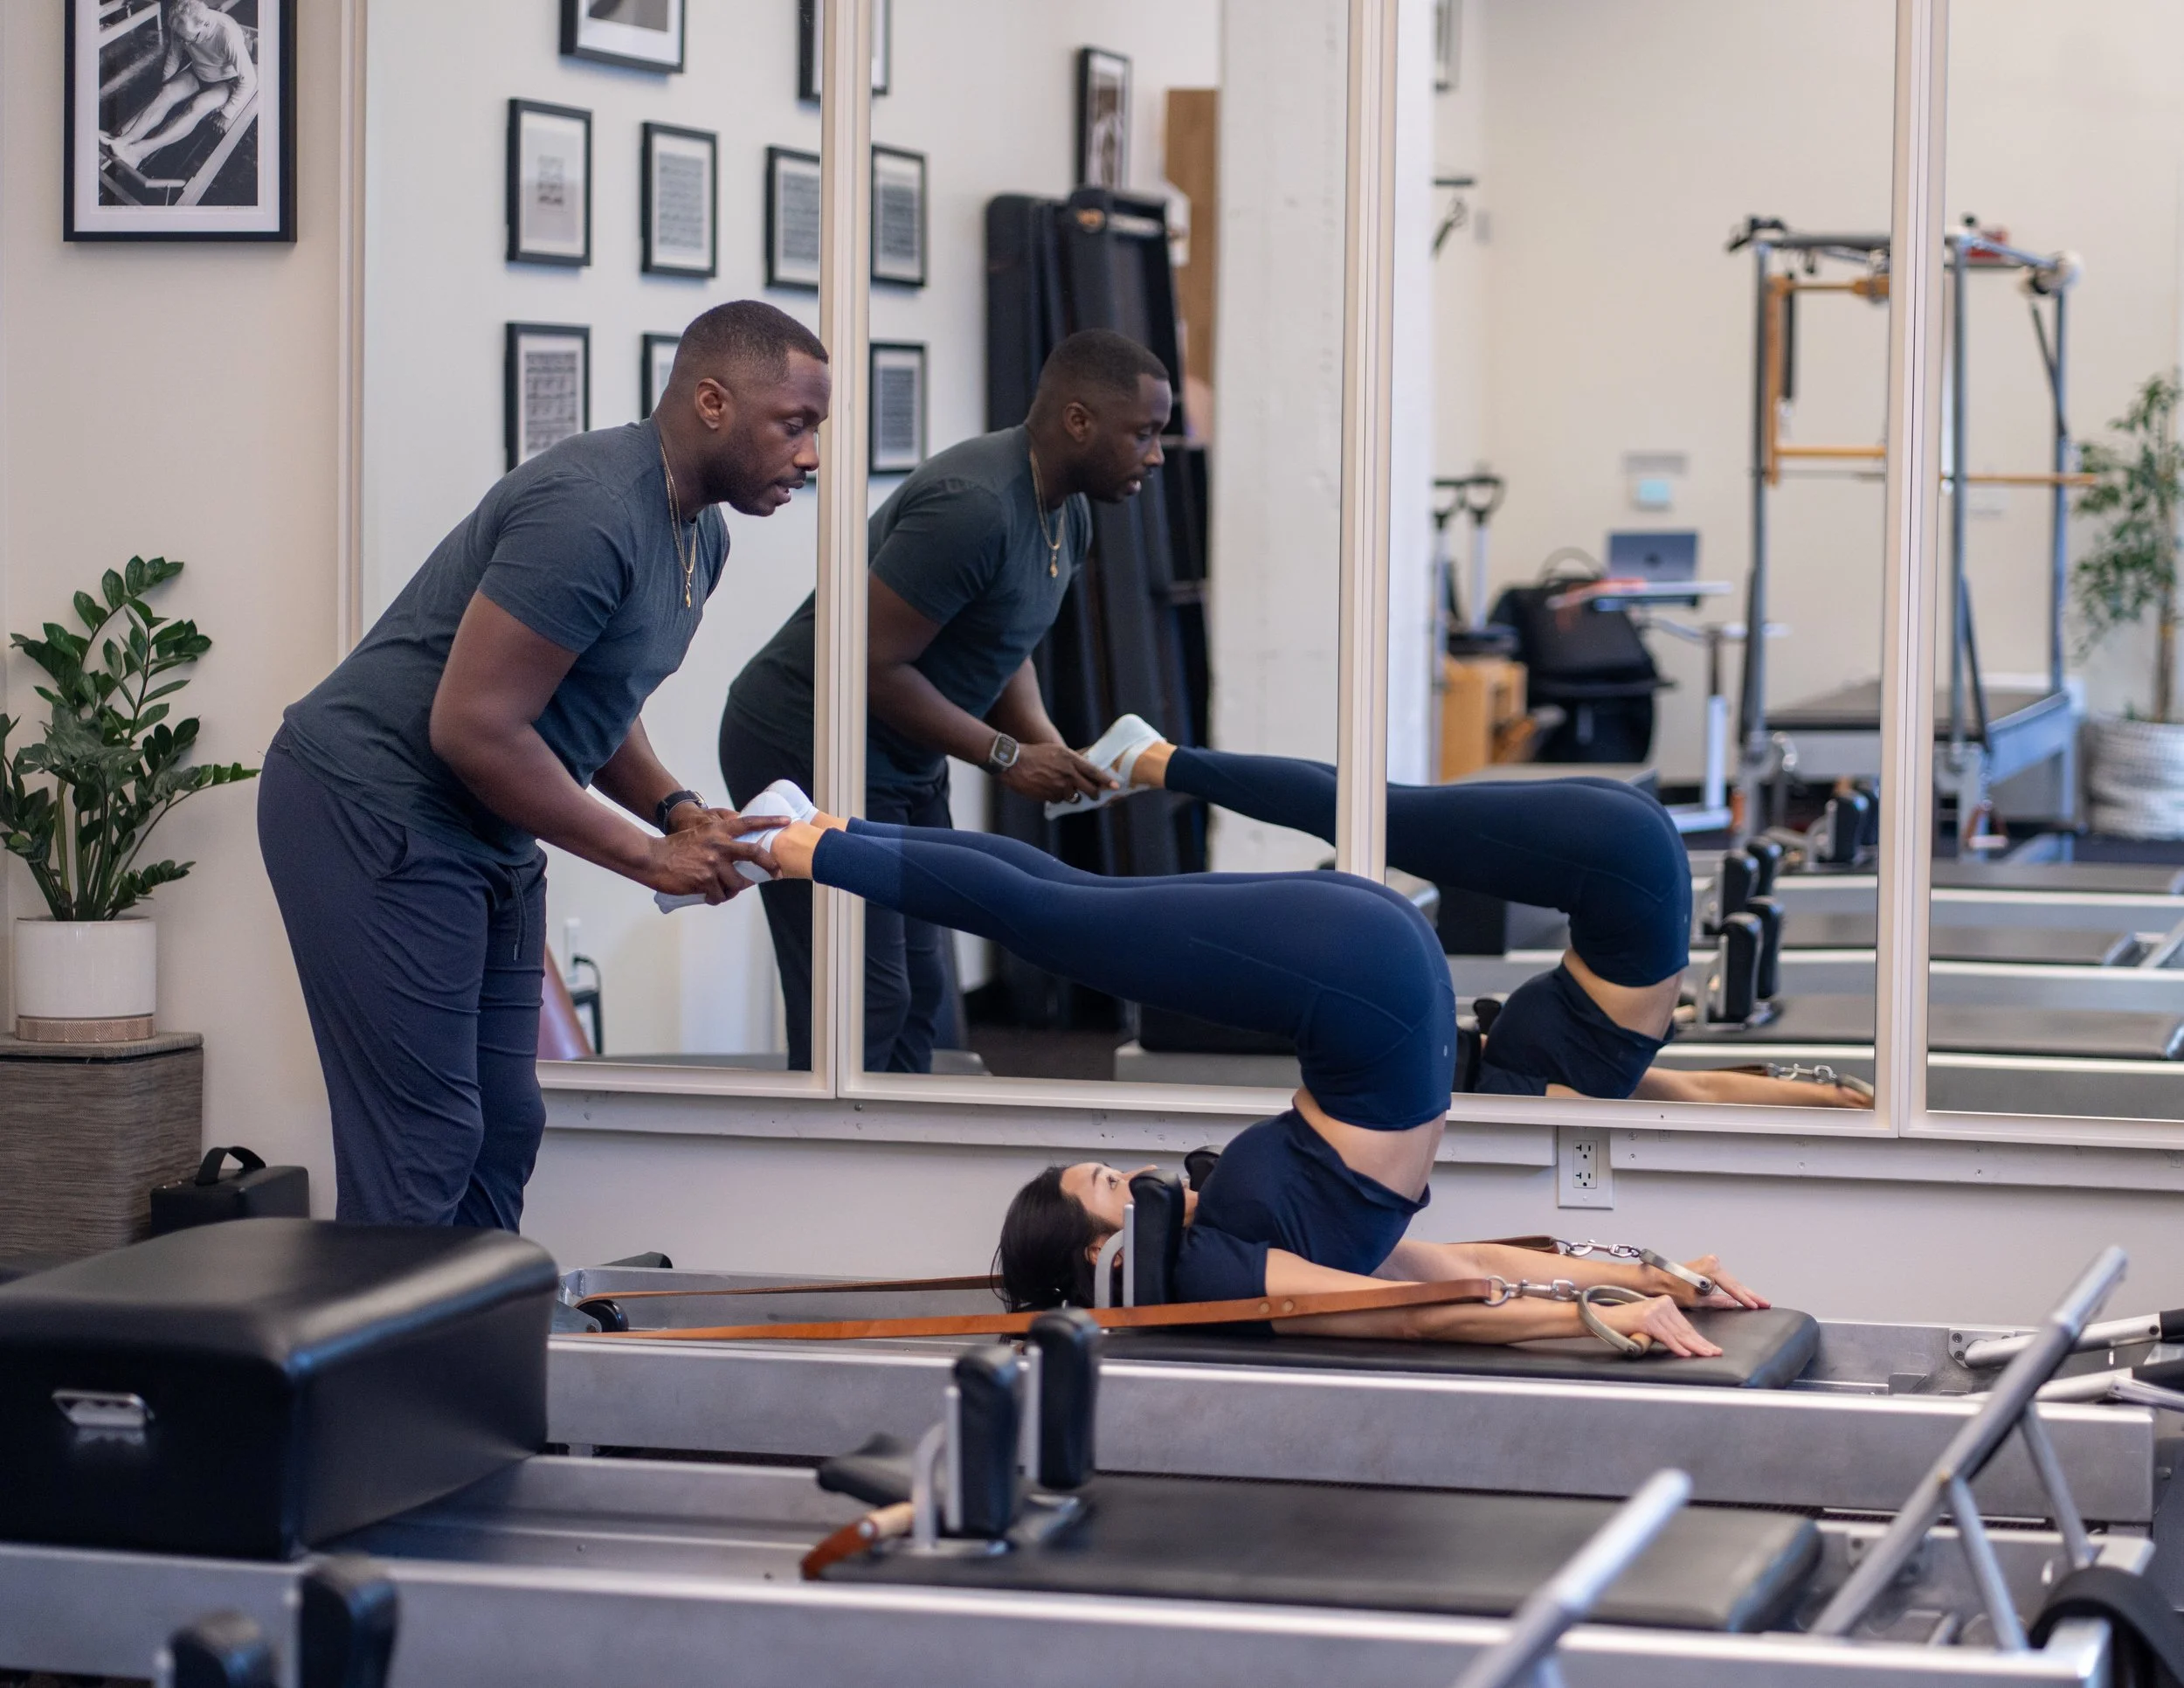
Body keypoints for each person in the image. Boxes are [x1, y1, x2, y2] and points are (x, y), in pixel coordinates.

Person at [726, 782, 1760, 1354]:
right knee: (1059, 916)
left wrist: (1641, 1283)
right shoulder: (1216, 1275)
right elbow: (1438, 1293)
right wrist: (1624, 1295)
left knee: (1067, 903)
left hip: (1366, 981)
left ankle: (826, 830)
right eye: (1109, 1189)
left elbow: (1451, 1279)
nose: (1140, 1180)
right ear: (1100, 1257)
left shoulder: (1219, 1246)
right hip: (1361, 978)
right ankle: (800, 844)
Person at [261, 301, 828, 1228]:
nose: (810, 456)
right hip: (369, 805)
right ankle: (394, 1373)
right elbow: (475, 729)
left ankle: (477, 1360)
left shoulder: (701, 534)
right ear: (714, 402)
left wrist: (677, 809)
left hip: (483, 821)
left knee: (507, 1123)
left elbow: (591, 699)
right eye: (795, 425)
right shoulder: (593, 511)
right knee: (425, 1140)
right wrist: (648, 858)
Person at [719, 329, 1172, 1074]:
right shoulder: (976, 505)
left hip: (902, 754)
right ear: (1080, 421)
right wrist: (1005, 757)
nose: (1155, 456)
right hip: (804, 738)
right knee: (860, 998)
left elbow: (1005, 633)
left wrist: (1041, 739)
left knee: (928, 990)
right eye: (1144, 435)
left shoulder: (1069, 511)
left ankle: (899, 1170)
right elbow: (869, 662)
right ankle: (826, 1172)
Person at [1051, 720, 1875, 1106]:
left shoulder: (1570, 1085)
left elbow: (1697, 1091)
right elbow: (1700, 1095)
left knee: (1378, 809)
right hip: (1623, 867)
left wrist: (1820, 1098)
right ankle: (1155, 758)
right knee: (1374, 811)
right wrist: (1835, 1102)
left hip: (1633, 860)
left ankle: (1157, 761)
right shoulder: (1546, 1097)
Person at [107, 0, 258, 176]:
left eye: (186, 39)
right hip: (198, 71)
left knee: (196, 106)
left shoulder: (227, 33)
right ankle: (125, 141)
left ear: (204, 25)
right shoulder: (180, 25)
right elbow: (174, 55)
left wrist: (227, 113)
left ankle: (139, 153)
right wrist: (166, 81)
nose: (180, 41)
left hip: (226, 80)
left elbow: (249, 79)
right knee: (166, 93)